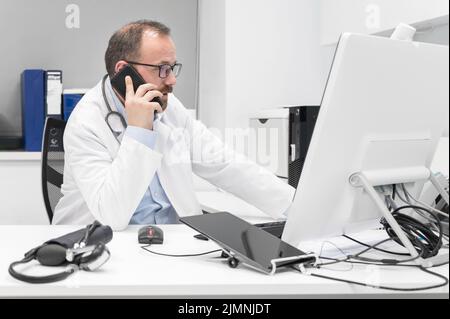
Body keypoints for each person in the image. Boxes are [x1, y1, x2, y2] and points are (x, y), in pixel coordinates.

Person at [53, 20, 295, 230]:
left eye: (173, 67)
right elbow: (112, 214)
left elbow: (226, 165)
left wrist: (297, 207)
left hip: (171, 240)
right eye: (162, 69)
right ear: (124, 71)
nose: (172, 79)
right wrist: (139, 132)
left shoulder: (170, 108)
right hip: (104, 246)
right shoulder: (85, 122)